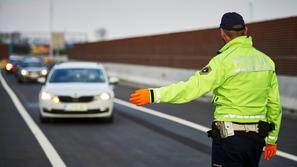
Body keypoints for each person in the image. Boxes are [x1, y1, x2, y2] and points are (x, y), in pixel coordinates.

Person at [129, 12, 282, 167]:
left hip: (229, 140)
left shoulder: (222, 61)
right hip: (255, 141)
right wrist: (272, 140)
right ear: (246, 30)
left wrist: (154, 94)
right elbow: (274, 104)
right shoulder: (267, 62)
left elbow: (191, 88)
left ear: (222, 32)